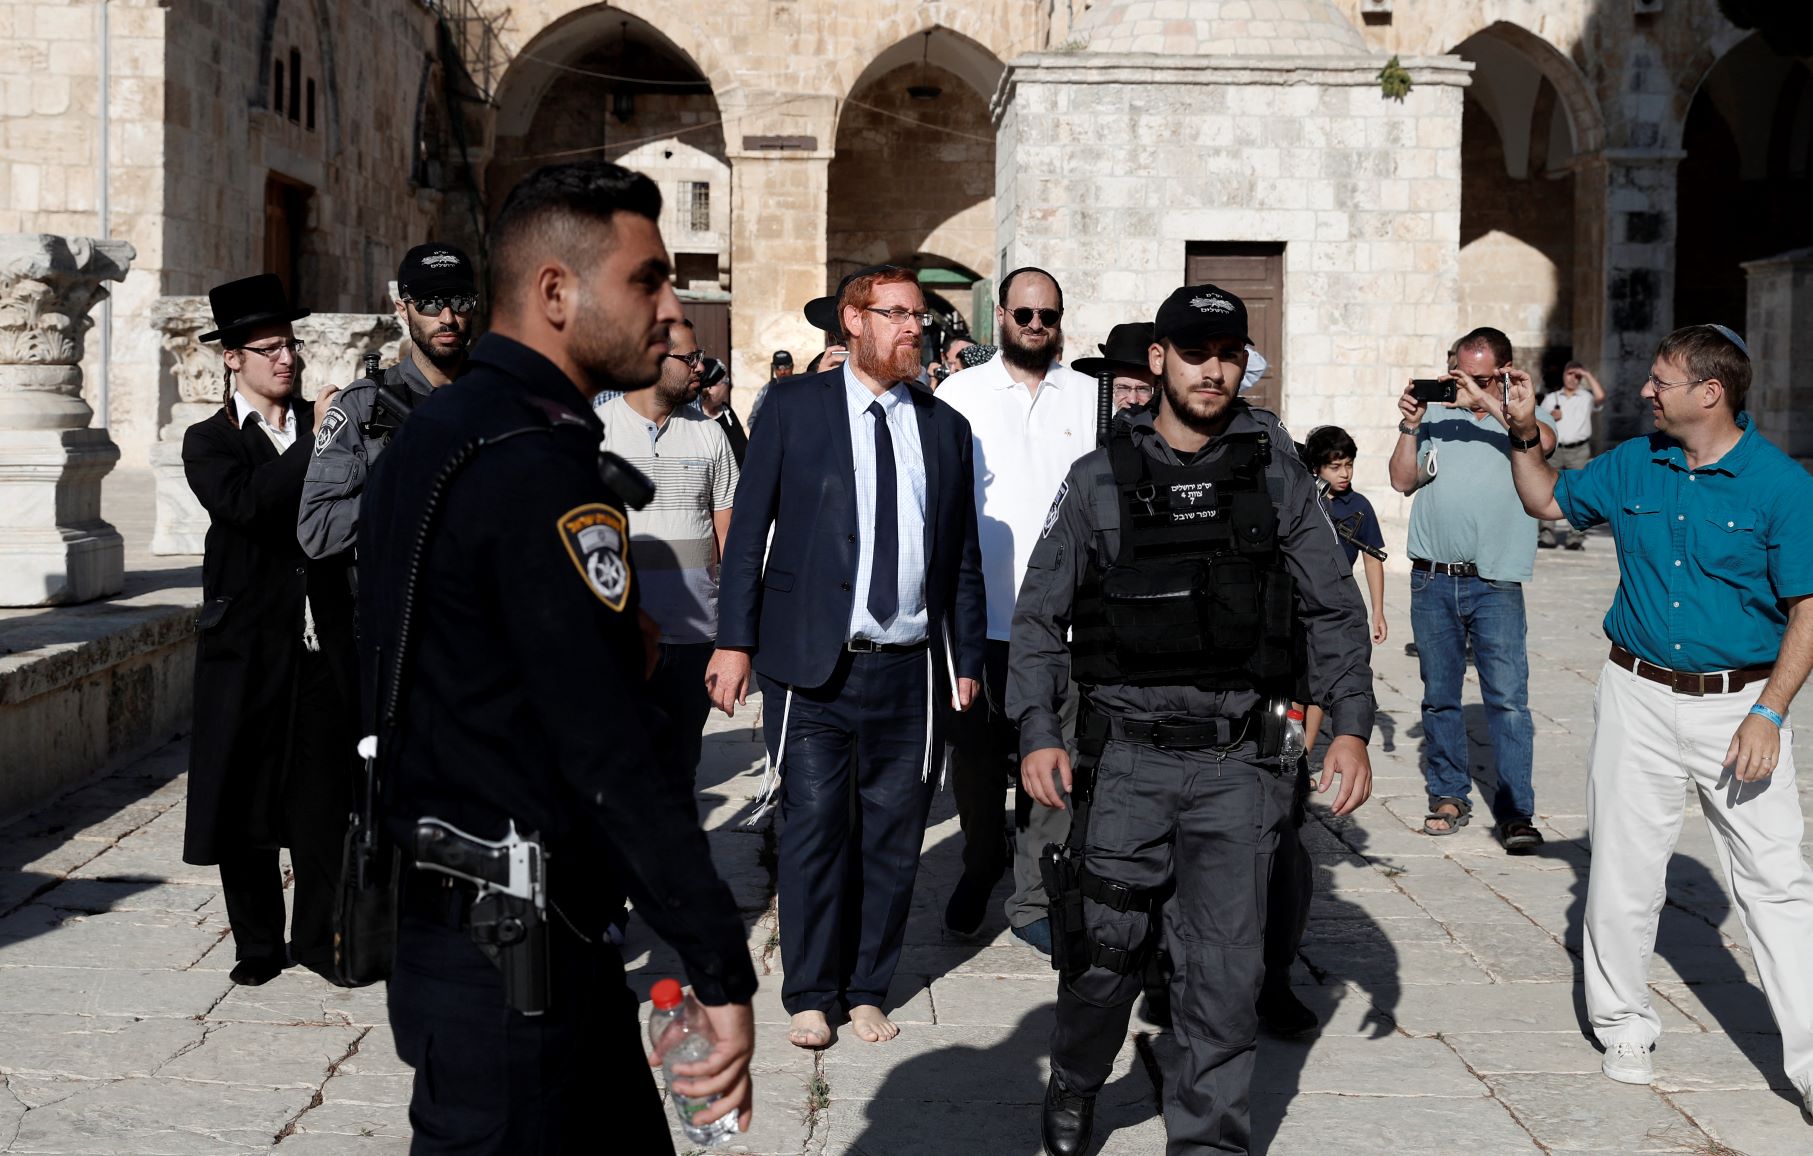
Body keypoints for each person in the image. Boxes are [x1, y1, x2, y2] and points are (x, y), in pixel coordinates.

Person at [359, 161, 757, 1153]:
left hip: (487, 929)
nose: (674, 311)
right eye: (647, 280)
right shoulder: (531, 466)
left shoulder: (445, 430)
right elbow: (608, 748)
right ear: (554, 292)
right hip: (510, 952)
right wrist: (718, 962)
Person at [1009, 283, 1374, 1156]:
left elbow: (1332, 610)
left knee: (1223, 972)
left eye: (1228, 354)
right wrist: (1037, 730)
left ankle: (1207, 1139)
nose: (1213, 369)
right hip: (1124, 762)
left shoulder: (1276, 477)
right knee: (1104, 954)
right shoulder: (1097, 479)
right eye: (1195, 352)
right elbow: (1036, 618)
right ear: (1159, 360)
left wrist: (1351, 725)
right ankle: (1076, 1080)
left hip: (1237, 765)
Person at [1503, 324, 1813, 1111]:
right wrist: (1516, 433)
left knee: (1775, 880)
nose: (1644, 391)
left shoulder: (1780, 486)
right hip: (1634, 693)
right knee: (1621, 867)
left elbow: (1807, 608)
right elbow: (1544, 498)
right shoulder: (1635, 462)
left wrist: (1769, 714)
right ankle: (1622, 1024)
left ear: (1710, 393)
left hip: (1740, 705)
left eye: (1660, 381)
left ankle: (1809, 1062)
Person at [707, 264, 986, 1051]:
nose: (913, 329)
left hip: (911, 670)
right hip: (811, 664)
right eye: (895, 314)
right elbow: (747, 532)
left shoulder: (943, 427)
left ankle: (867, 987)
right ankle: (809, 990)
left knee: (893, 835)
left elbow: (960, 556)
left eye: (919, 317)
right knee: (813, 829)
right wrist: (734, 640)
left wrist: (964, 656)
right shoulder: (795, 410)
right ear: (851, 322)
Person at [181, 274, 358, 987]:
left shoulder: (326, 432)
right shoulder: (209, 441)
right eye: (267, 348)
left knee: (323, 800)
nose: (286, 359)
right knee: (242, 795)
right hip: (247, 644)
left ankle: (320, 940)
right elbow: (247, 507)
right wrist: (317, 443)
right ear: (232, 358)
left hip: (321, 643)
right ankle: (258, 943)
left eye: (290, 343)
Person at [935, 267, 1097, 950]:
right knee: (973, 765)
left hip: (1064, 621)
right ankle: (979, 859)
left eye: (1048, 315)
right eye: (1024, 314)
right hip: (977, 619)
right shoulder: (957, 394)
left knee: (1051, 756)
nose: (1036, 326)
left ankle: (1033, 895)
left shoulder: (1095, 399)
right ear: (999, 315)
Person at [1389, 326, 1555, 852]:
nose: (1464, 385)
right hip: (1432, 577)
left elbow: (1540, 444)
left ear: (1505, 373)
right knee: (1439, 697)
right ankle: (1448, 794)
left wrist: (1486, 401)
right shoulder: (1436, 416)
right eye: (1458, 372)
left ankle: (1514, 812)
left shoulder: (1527, 420)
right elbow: (1401, 480)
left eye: (1480, 377)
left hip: (1496, 580)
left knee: (1507, 700)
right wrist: (1411, 424)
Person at [597, 317, 739, 782]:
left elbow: (730, 540)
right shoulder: (597, 430)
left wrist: (733, 638)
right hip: (616, 638)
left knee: (679, 771)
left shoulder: (710, 434)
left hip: (694, 635)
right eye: (690, 357)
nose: (701, 367)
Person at [1537, 360, 1605, 550]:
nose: (1573, 379)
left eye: (1577, 376)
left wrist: (1588, 375)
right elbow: (1538, 421)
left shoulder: (1586, 397)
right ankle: (1547, 534)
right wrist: (1551, 416)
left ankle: (1575, 536)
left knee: (1580, 491)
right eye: (1570, 374)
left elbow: (1601, 397)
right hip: (1555, 450)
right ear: (1564, 375)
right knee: (1549, 490)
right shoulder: (1551, 398)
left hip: (1579, 450)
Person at [1072, 321, 1156, 416]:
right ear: (1108, 390)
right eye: (1122, 388)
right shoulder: (1086, 421)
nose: (1132, 400)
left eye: (1142, 389)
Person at [698, 356, 748, 465]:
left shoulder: (727, 412)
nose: (728, 385)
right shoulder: (693, 417)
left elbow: (743, 451)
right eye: (725, 381)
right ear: (710, 388)